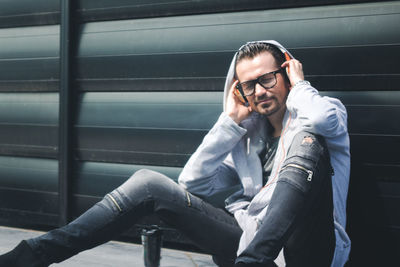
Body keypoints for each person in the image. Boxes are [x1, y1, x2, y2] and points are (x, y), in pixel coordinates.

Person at [0, 40, 350, 267]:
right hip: (246, 242)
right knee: (149, 183)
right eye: (248, 85)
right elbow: (193, 182)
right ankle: (32, 255)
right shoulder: (247, 136)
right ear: (239, 91)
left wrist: (300, 84)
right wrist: (229, 121)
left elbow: (317, 119)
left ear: (286, 71)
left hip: (308, 251)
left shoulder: (324, 111)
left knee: (309, 140)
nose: (259, 91)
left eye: (268, 79)